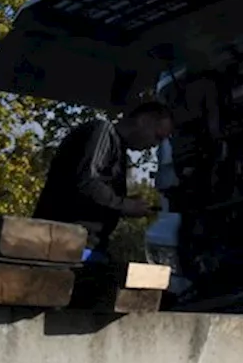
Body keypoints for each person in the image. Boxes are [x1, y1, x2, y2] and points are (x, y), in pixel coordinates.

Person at [33, 101, 175, 263]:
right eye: (157, 137)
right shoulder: (102, 132)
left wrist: (124, 203)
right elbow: (85, 182)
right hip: (62, 244)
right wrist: (124, 205)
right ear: (143, 120)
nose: (154, 145)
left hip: (81, 246)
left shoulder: (118, 149)